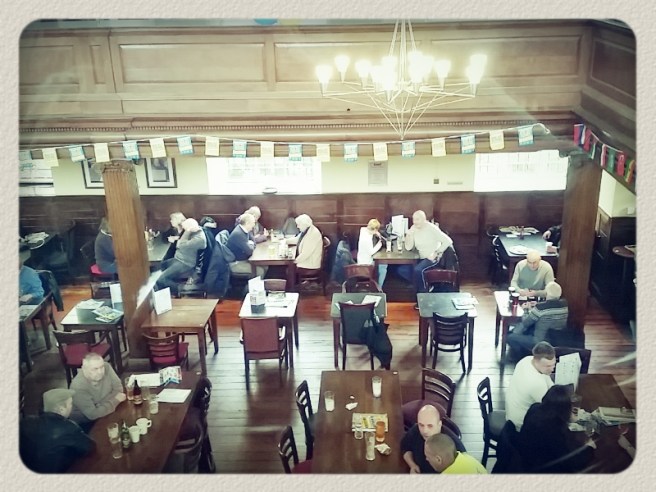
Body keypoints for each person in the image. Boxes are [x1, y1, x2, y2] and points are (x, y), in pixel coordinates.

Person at [519, 384, 595, 473]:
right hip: (541, 469)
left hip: (527, 457)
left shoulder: (535, 408)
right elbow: (571, 463)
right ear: (564, 410)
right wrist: (589, 448)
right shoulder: (553, 430)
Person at [19, 388, 95, 473]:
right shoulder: (69, 428)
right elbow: (89, 447)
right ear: (61, 409)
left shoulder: (26, 421)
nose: (72, 407)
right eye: (70, 404)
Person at [398, 210, 455, 295]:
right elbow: (409, 248)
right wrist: (409, 236)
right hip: (421, 258)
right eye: (413, 219)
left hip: (433, 258)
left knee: (418, 270)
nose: (415, 222)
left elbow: (448, 241)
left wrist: (436, 252)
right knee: (401, 270)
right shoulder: (413, 228)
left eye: (417, 219)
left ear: (424, 219)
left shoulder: (431, 228)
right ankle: (426, 284)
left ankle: (423, 294)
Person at [507, 281, 569, 359]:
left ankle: (525, 355)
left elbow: (526, 322)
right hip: (556, 339)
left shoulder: (540, 308)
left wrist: (526, 309)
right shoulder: (564, 304)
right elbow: (550, 308)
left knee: (509, 337)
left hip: (539, 340)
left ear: (546, 293)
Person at [505, 341, 556, 430]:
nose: (552, 369)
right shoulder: (536, 383)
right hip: (521, 424)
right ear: (536, 360)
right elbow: (551, 408)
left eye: (554, 364)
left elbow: (549, 382)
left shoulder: (527, 360)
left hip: (512, 414)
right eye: (548, 366)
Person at [401, 404, 466, 474]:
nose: (425, 431)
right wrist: (412, 465)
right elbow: (405, 448)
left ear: (439, 424)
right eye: (421, 425)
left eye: (430, 426)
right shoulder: (416, 429)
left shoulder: (454, 445)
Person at [69, 353, 126, 431]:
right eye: (95, 369)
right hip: (87, 424)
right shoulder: (78, 387)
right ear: (84, 369)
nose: (100, 372)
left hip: (107, 412)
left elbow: (118, 388)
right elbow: (92, 414)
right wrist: (116, 400)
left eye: (101, 367)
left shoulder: (106, 367)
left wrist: (99, 406)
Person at [155, 217, 207, 295]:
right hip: (179, 259)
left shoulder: (199, 240)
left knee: (161, 279)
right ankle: (160, 292)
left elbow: (180, 245)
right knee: (157, 267)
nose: (184, 230)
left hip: (185, 263)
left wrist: (187, 231)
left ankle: (181, 289)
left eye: (185, 229)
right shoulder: (195, 231)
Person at [226, 213, 267, 278]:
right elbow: (249, 251)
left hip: (244, 259)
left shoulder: (245, 229)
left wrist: (250, 244)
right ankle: (252, 284)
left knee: (265, 266)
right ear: (247, 223)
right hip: (236, 263)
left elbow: (253, 242)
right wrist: (251, 244)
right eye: (253, 223)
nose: (254, 225)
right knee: (260, 271)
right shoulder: (238, 234)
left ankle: (258, 283)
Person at [357, 218, 388, 287]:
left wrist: (376, 232)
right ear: (374, 229)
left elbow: (367, 229)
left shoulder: (363, 230)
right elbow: (371, 252)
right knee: (383, 265)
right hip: (366, 264)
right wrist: (380, 244)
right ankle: (379, 287)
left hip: (361, 259)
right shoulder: (367, 240)